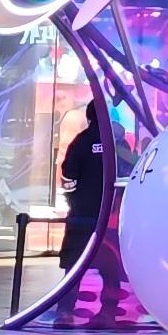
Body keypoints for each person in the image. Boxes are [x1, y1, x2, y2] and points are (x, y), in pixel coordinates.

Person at [58, 107, 108, 271]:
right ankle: (111, 293)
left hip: (82, 215)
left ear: (88, 117)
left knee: (74, 266)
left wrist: (73, 199)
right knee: (110, 264)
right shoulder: (115, 142)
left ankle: (71, 295)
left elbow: (68, 176)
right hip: (110, 216)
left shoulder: (81, 141)